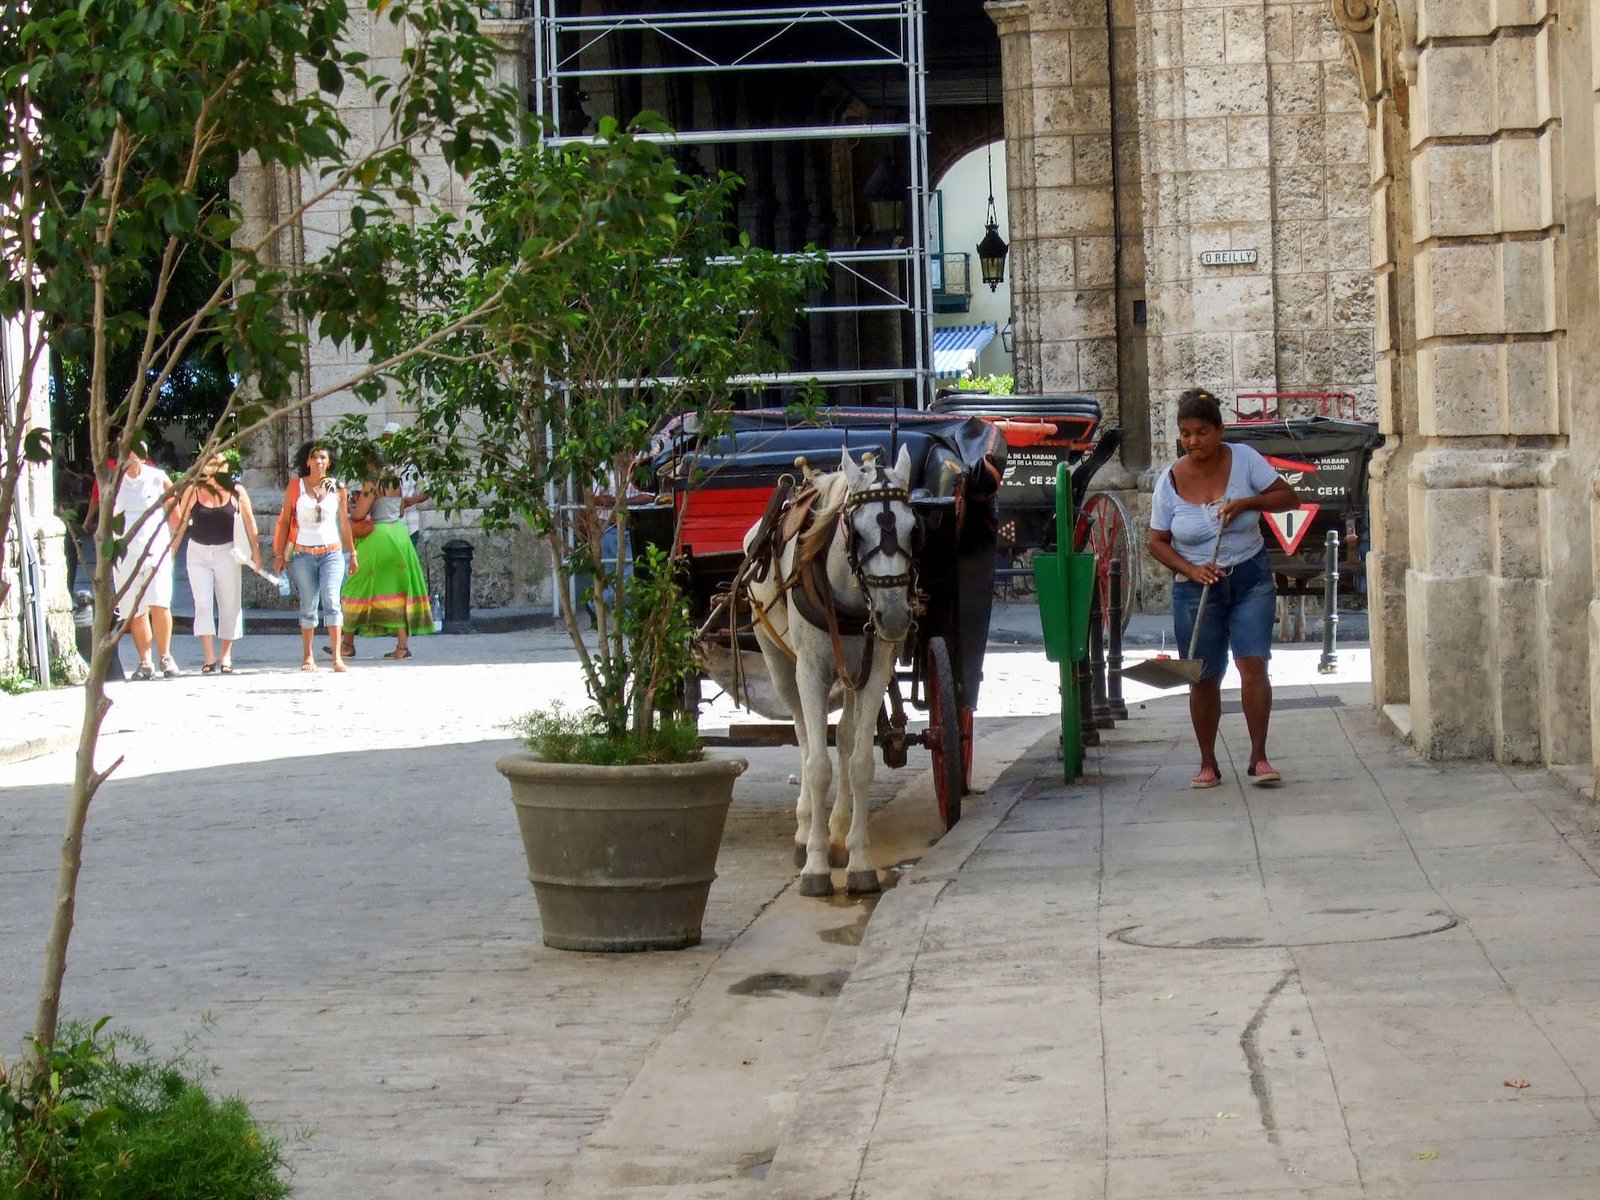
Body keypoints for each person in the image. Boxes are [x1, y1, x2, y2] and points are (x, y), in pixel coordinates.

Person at [1147, 388, 1300, 789]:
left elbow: (1288, 496)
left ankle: (1259, 758)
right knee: (1203, 676)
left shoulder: (1245, 459)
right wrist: (1192, 570)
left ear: (1219, 430)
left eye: (1201, 432)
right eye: (1185, 433)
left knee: (1253, 665)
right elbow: (1156, 540)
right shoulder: (1169, 480)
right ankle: (1208, 763)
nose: (1193, 441)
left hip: (1249, 578)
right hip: (1195, 590)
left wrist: (1248, 503)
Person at [171, 453, 263, 675]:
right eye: (209, 463)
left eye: (218, 463)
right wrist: (171, 553)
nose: (213, 468)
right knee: (202, 603)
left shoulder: (236, 491)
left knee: (230, 603)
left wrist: (257, 554)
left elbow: (250, 523)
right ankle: (209, 656)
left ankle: (226, 656)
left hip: (227, 551)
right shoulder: (194, 490)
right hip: (198, 552)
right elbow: (181, 523)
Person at [273, 440, 359, 673]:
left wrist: (352, 553)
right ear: (307, 461)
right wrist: (279, 554)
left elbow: (344, 522)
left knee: (332, 601)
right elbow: (284, 521)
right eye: (314, 457)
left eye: (323, 457)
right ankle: (308, 654)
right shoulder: (295, 487)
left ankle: (337, 657)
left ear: (329, 461)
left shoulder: (338, 487)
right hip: (303, 554)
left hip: (332, 552)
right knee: (309, 604)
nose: (319, 461)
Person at [106, 437, 182, 680]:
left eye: (135, 452)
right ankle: (145, 662)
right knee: (134, 611)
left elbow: (175, 514)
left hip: (155, 551)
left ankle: (166, 657)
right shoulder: (113, 481)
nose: (130, 457)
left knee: (160, 604)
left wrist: (172, 547)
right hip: (125, 556)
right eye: (125, 452)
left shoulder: (158, 478)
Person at [340, 472, 434, 659]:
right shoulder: (395, 481)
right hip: (398, 534)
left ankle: (347, 643)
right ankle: (402, 646)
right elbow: (400, 511)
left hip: (378, 537)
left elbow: (359, 515)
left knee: (355, 589)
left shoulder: (372, 482)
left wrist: (348, 507)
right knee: (396, 591)